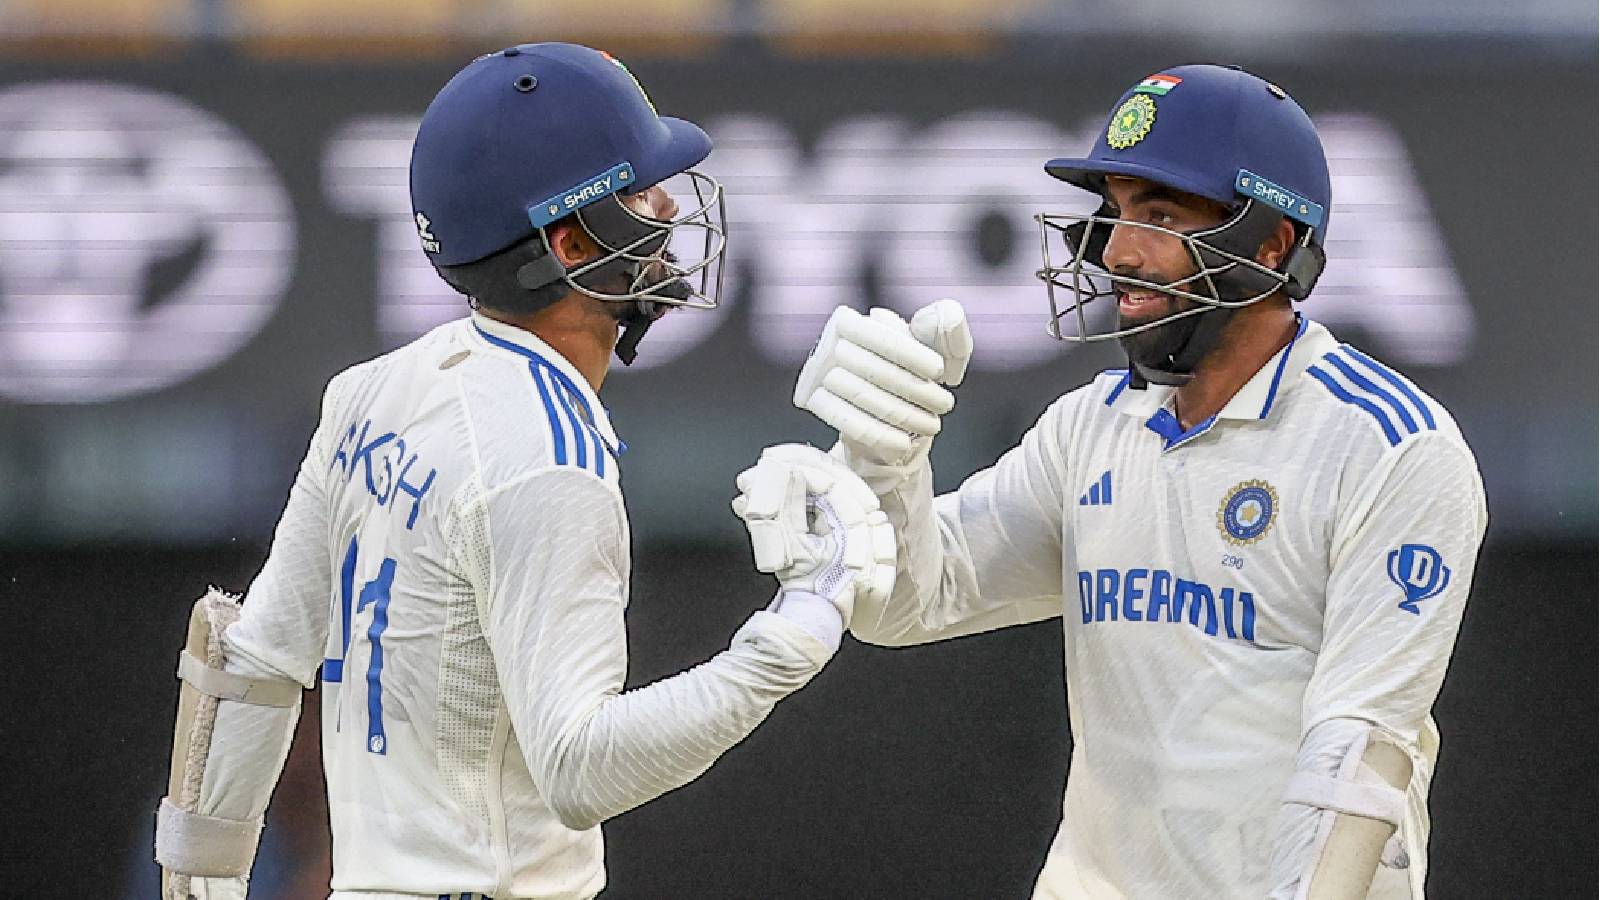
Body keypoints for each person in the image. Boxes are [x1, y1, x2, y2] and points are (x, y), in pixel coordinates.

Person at [153, 42, 891, 900]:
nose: (664, 209)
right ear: (571, 241)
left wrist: (198, 885)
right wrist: (799, 625)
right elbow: (580, 769)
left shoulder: (370, 391)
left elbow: (250, 663)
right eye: (636, 192)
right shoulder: (550, 455)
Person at [776, 64, 1487, 898]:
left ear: (1271, 245)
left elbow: (1361, 750)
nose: (1116, 251)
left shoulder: (1391, 448)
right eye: (1113, 211)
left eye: (1159, 215)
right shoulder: (1090, 427)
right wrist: (887, 464)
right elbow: (908, 605)